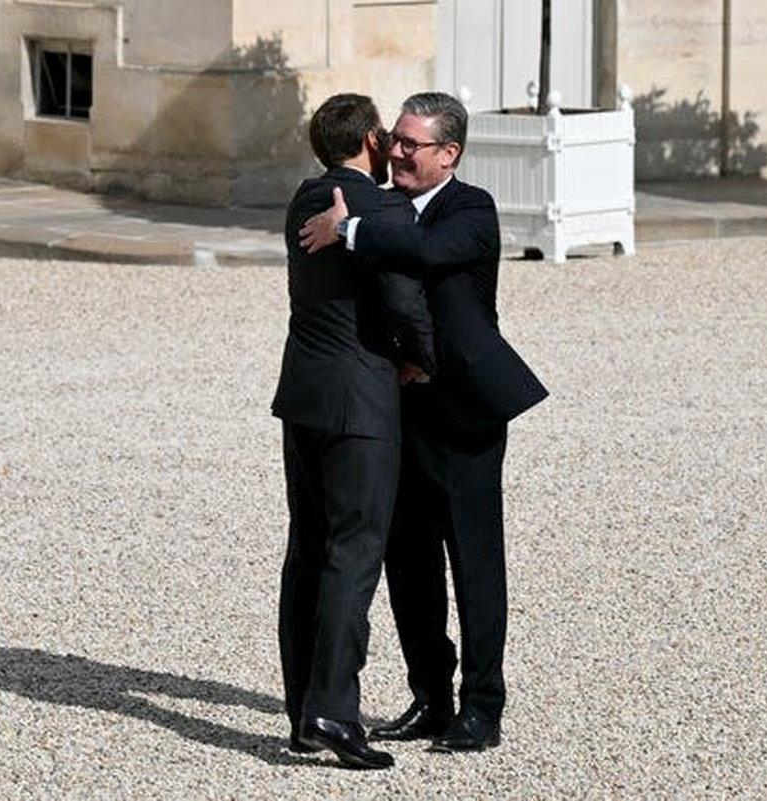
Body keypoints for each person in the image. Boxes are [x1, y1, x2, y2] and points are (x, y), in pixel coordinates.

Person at [299, 91, 548, 753]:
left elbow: (426, 252)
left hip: (464, 413)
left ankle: (483, 704)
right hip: (396, 411)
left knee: (474, 561)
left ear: (450, 153)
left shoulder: (471, 210)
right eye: (397, 140)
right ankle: (431, 695)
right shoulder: (381, 205)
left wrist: (348, 229)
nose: (399, 152)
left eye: (414, 144)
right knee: (407, 563)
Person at [272, 93, 435, 770]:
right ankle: (335, 711)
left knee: (307, 553)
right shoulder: (379, 205)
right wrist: (424, 358)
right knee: (353, 553)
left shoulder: (302, 199)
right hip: (361, 403)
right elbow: (404, 296)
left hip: (303, 394)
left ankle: (303, 709)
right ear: (371, 138)